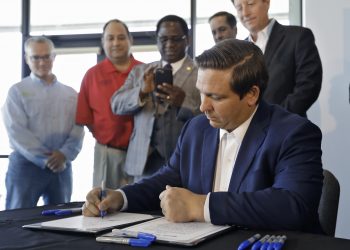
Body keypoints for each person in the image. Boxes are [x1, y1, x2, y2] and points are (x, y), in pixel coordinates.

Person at [83, 39, 324, 234]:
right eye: (200, 93)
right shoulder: (196, 129)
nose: (202, 107)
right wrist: (121, 197)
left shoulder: (294, 133)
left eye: (216, 97)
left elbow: (293, 206)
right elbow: (167, 179)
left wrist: (201, 205)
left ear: (251, 94)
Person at [110, 15, 201, 181]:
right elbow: (115, 105)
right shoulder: (140, 72)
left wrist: (183, 104)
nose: (169, 45)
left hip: (183, 161)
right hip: (143, 162)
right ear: (157, 40)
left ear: (187, 40)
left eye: (176, 39)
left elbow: (212, 118)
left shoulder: (200, 72)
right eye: (164, 39)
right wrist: (142, 92)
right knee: (140, 205)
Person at [2, 36, 84, 209]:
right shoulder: (17, 92)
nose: (42, 62)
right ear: (27, 59)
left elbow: (78, 128)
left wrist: (64, 155)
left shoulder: (70, 94)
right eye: (36, 57)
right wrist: (46, 159)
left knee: (62, 220)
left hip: (62, 165)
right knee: (17, 219)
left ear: (54, 57)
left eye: (46, 56)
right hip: (26, 165)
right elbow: (16, 131)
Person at [75, 19, 143, 189]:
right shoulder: (92, 75)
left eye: (121, 37)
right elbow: (85, 118)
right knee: (104, 205)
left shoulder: (146, 71)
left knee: (143, 204)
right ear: (103, 42)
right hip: (107, 153)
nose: (115, 43)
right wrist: (106, 136)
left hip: (144, 154)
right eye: (110, 38)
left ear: (130, 40)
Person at [231, 0, 322, 117]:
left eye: (250, 4)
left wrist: (275, 119)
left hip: (288, 128)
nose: (245, 13)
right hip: (248, 131)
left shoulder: (297, 37)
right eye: (239, 8)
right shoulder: (237, 51)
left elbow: (308, 85)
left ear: (267, 3)